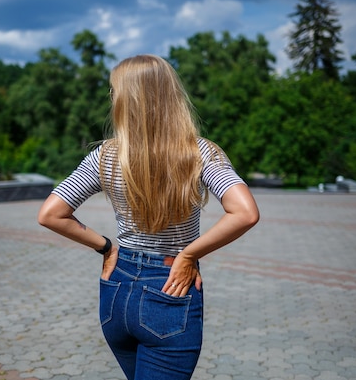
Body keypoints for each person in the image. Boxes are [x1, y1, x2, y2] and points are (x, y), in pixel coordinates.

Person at [37, 54, 259, 380]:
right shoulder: (199, 153)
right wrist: (189, 253)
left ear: (125, 100)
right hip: (169, 289)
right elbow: (245, 212)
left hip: (116, 289)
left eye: (114, 92)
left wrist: (106, 249)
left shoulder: (105, 156)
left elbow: (51, 214)